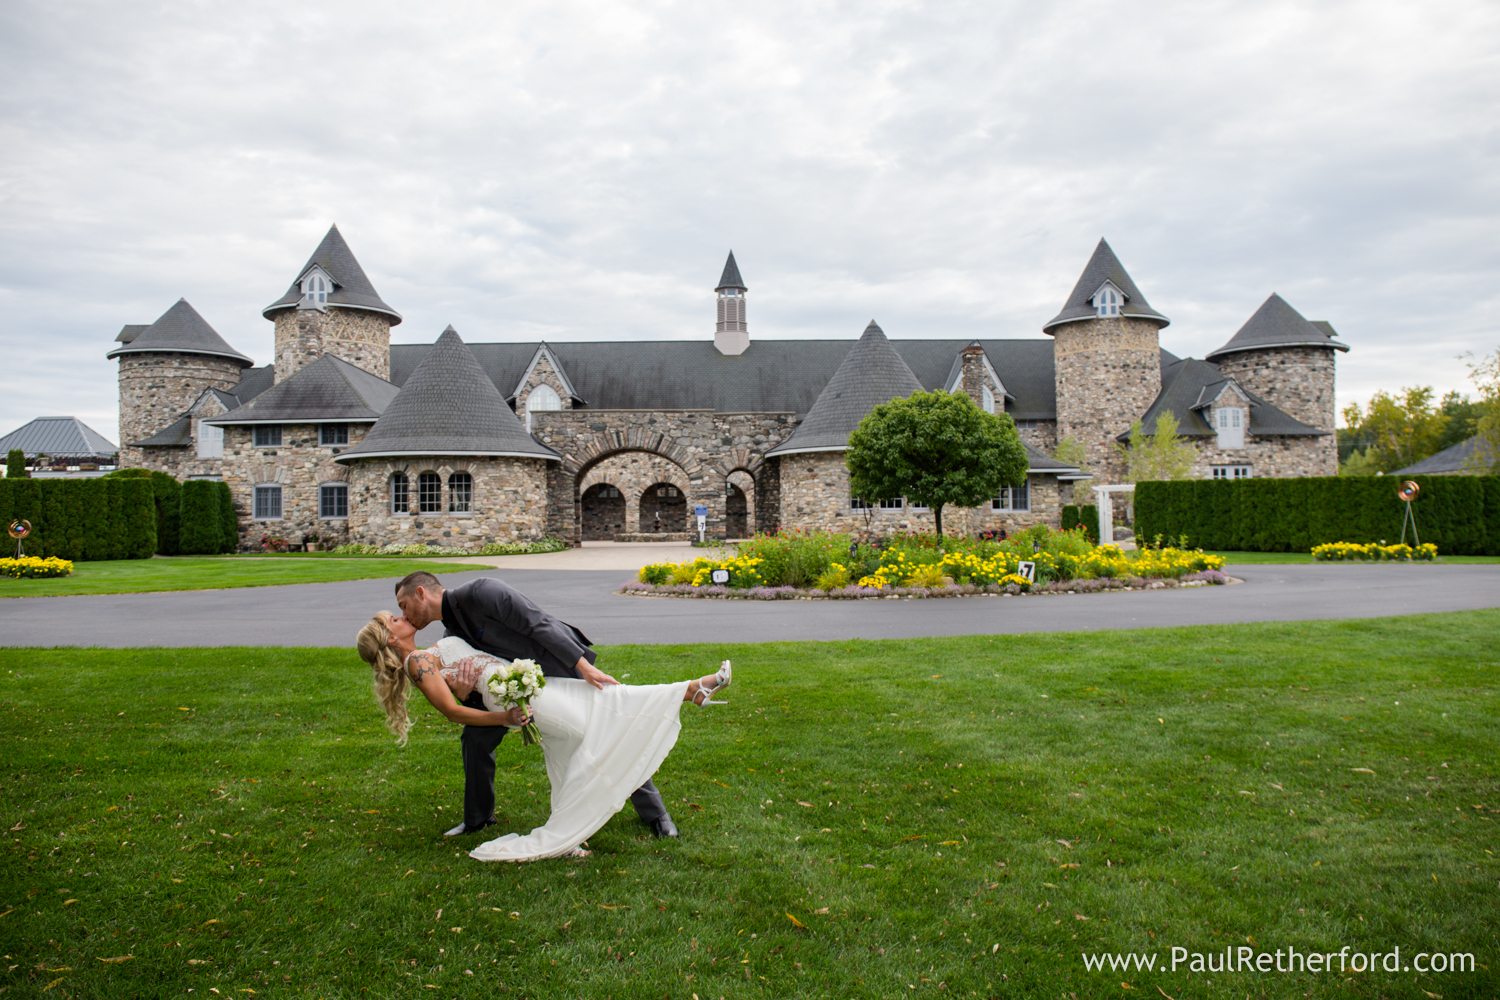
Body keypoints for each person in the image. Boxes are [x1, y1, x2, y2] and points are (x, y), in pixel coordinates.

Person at [355, 610, 731, 861]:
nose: (402, 616)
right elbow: (453, 712)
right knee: (606, 712)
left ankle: (568, 834)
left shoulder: (426, 652)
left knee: (575, 746)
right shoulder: (418, 662)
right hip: (525, 697)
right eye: (394, 618)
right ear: (389, 637)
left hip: (532, 685)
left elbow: (462, 681)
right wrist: (506, 715)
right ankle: (690, 689)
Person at [391, 571, 679, 839]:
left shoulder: (483, 591)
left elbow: (536, 622)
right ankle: (477, 819)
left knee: (602, 731)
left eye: (404, 605)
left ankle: (655, 813)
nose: (404, 614)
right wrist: (465, 694)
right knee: (475, 739)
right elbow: (475, 678)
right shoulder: (450, 635)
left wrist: (581, 666)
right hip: (512, 690)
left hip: (558, 662)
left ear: (420, 593)